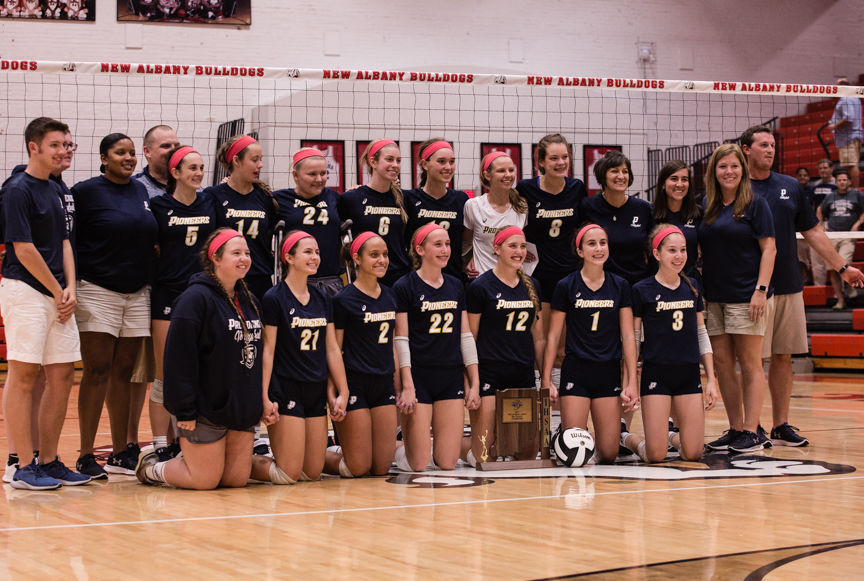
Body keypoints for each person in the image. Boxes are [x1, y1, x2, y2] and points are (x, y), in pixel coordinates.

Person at [743, 126, 864, 447]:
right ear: (746, 150)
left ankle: (780, 424)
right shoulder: (735, 187)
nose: (769, 150)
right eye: (762, 145)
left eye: (772, 145)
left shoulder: (790, 187)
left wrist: (843, 266)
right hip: (750, 289)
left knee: (783, 357)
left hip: (788, 285)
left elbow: (812, 233)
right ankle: (749, 425)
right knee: (753, 361)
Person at [0, 117, 89, 489]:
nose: (63, 151)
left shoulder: (55, 188)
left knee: (62, 374)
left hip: (57, 293)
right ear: (33, 147)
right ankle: (21, 465)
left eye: (67, 144)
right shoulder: (17, 189)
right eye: (55, 144)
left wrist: (70, 287)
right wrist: (56, 290)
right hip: (26, 291)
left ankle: (49, 460)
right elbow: (22, 248)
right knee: (23, 375)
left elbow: (65, 241)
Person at [136, 229, 264, 489]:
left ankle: (198, 458)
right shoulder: (194, 299)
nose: (244, 259)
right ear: (215, 258)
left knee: (236, 480)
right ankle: (152, 468)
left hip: (239, 408)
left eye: (247, 253)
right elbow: (178, 359)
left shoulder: (249, 300)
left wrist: (259, 403)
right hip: (205, 409)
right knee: (204, 480)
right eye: (236, 253)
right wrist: (184, 409)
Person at [72, 133, 158, 478]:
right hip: (97, 290)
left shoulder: (140, 191)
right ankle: (85, 454)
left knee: (126, 371)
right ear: (104, 158)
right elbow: (71, 239)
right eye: (120, 152)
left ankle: (122, 451)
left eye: (132, 153)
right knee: (97, 370)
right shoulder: (86, 191)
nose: (129, 158)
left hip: (137, 293)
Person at [250, 231, 349, 484]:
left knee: (312, 472)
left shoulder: (323, 298)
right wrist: (263, 396)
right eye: (307, 252)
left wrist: (343, 391)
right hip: (286, 388)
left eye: (316, 252)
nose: (315, 257)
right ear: (288, 257)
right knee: (287, 475)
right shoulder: (274, 298)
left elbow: (331, 349)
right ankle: (240, 460)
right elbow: (268, 351)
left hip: (315, 388)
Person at [698, 143, 775, 454]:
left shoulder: (756, 203)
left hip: (747, 296)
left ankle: (752, 431)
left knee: (750, 363)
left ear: (743, 169)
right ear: (714, 172)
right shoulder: (708, 205)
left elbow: (770, 249)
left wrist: (760, 290)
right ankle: (735, 428)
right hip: (714, 296)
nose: (728, 172)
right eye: (722, 166)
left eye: (734, 166)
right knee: (724, 365)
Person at [541, 224, 639, 464]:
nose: (598, 248)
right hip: (576, 370)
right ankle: (559, 435)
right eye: (591, 244)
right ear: (580, 251)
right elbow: (553, 336)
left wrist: (631, 381)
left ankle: (571, 434)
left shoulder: (620, 285)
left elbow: (628, 336)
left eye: (603, 243)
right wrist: (546, 379)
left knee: (608, 454)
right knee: (575, 450)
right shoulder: (566, 285)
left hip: (607, 371)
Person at [620, 225, 718, 462]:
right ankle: (624, 436)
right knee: (655, 455)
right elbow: (632, 339)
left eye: (683, 250)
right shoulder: (642, 290)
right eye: (672, 250)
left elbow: (701, 334)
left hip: (688, 374)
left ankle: (672, 435)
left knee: (694, 453)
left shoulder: (692, 286)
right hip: (657, 374)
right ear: (657, 254)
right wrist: (631, 380)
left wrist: (712, 379)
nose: (679, 256)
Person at [148, 145, 216, 461]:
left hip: (202, 295)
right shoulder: (158, 206)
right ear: (175, 173)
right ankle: (162, 443)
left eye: (201, 167)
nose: (198, 173)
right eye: (192, 168)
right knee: (164, 373)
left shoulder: (210, 202)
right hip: (168, 295)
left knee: (200, 370)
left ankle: (190, 439)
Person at [393, 224, 480, 471]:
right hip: (419, 376)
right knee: (419, 465)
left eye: (448, 244)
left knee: (447, 463)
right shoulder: (404, 286)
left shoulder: (455, 285)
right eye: (438, 244)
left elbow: (465, 336)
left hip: (449, 376)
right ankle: (393, 449)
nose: (445, 250)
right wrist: (407, 385)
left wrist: (473, 382)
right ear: (419, 249)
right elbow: (401, 341)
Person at [465, 226, 545, 466]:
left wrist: (546, 378)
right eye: (512, 246)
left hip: (522, 376)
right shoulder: (480, 287)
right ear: (496, 249)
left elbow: (539, 338)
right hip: (490, 375)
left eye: (522, 246)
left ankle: (503, 442)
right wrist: (472, 382)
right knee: (485, 457)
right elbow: (470, 337)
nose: (519, 251)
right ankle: (456, 448)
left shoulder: (533, 286)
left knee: (526, 455)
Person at [323, 232, 398, 477]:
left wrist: (400, 384)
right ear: (357, 258)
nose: (382, 260)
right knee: (358, 468)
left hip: (383, 382)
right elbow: (335, 349)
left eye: (385, 255)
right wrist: (333, 392)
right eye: (374, 255)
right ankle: (313, 455)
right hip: (355, 383)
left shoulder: (390, 295)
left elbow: (393, 344)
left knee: (381, 468)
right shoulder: (343, 300)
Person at [517, 134, 585, 389]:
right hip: (539, 276)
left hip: (568, 276)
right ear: (541, 162)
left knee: (562, 347)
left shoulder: (576, 188)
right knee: (539, 344)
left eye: (564, 157)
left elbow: (583, 228)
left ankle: (556, 415)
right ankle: (540, 399)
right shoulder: (526, 189)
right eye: (554, 158)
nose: (560, 162)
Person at [206, 134, 279, 301]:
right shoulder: (213, 195)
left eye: (260, 159)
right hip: (226, 279)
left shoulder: (266, 197)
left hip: (259, 277)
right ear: (236, 161)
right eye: (254, 160)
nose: (260, 165)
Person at [339, 139, 410, 286]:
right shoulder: (352, 198)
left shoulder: (406, 198)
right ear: (373, 162)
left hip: (399, 277)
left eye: (398, 160)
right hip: (365, 277)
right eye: (389, 159)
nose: (395, 165)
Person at [274, 148, 343, 295]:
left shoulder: (334, 197)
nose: (319, 179)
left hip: (331, 281)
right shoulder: (279, 199)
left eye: (323, 173)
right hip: (295, 281)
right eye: (312, 174)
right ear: (296, 175)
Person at [580, 151, 653, 285]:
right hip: (601, 284)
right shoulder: (588, 207)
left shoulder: (643, 209)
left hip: (637, 283)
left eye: (625, 171)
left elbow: (654, 249)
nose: (621, 176)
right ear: (603, 175)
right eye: (614, 171)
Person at [405, 138, 469, 280]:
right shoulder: (409, 198)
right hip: (416, 279)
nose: (448, 167)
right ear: (425, 164)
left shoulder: (461, 199)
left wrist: (472, 259)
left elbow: (467, 239)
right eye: (441, 161)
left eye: (452, 162)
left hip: (452, 278)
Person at [463, 151, 528, 278]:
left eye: (511, 170)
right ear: (487, 175)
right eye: (501, 171)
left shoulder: (521, 207)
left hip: (513, 278)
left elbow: (521, 243)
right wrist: (470, 260)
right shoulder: (473, 206)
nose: (508, 175)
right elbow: (466, 243)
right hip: (482, 279)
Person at [816, 168, 864, 310]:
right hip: (831, 236)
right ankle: (841, 300)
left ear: (849, 181)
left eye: (844, 180)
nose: (842, 182)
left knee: (843, 263)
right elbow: (820, 210)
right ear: (835, 182)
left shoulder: (857, 194)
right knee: (833, 269)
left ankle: (850, 289)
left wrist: (858, 224)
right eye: (839, 180)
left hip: (848, 236)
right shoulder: (830, 196)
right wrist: (821, 225)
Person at [652, 161, 702, 284]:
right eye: (674, 179)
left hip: (690, 284)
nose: (679, 184)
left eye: (684, 179)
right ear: (663, 184)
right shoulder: (649, 213)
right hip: (657, 285)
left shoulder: (698, 213)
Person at [829, 78, 863, 188]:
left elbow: (849, 117)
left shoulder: (845, 99)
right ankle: (854, 189)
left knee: (851, 165)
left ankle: (854, 190)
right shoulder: (855, 98)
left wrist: (834, 125)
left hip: (848, 137)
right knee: (851, 164)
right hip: (854, 135)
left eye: (836, 86)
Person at [134, 124, 180, 199]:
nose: (174, 150)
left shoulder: (190, 185)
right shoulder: (133, 187)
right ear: (147, 151)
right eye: (166, 146)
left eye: (177, 146)